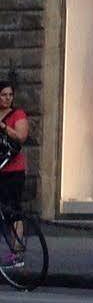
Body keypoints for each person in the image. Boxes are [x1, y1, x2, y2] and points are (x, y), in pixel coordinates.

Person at [0, 84, 28, 266]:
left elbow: (21, 137)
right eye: (3, 95)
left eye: (10, 95)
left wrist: (3, 127)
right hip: (1, 168)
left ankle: (17, 253)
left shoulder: (18, 114)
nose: (8, 98)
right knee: (4, 212)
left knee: (14, 211)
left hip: (14, 170)